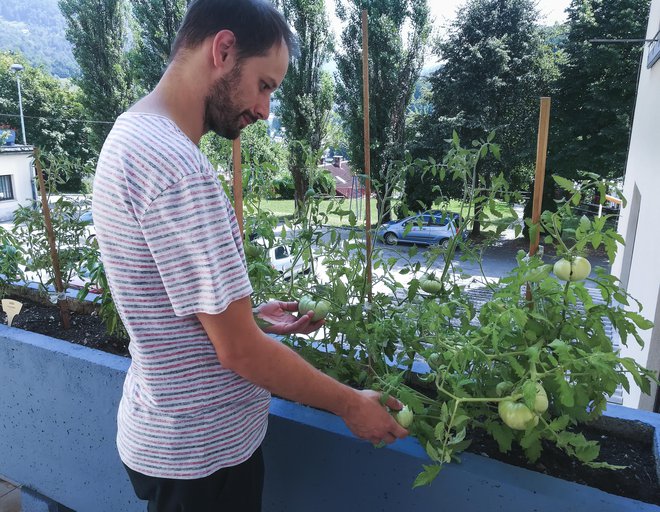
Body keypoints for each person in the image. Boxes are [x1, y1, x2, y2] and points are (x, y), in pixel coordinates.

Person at [92, 0, 408, 510]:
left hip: (165, 435)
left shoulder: (130, 134)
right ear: (223, 49)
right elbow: (237, 352)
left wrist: (247, 318)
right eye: (265, 85)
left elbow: (162, 300)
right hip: (203, 458)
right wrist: (351, 404)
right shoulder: (180, 170)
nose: (264, 110)